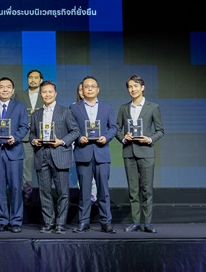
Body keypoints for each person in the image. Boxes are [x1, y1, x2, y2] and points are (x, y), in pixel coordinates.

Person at [29, 80, 80, 234]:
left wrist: (62, 142)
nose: (47, 94)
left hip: (59, 155)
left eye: (50, 91)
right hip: (41, 155)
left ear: (55, 93)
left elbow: (75, 131)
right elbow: (32, 133)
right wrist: (34, 140)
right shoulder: (36, 114)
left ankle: (60, 223)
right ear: (40, 94)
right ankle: (49, 222)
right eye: (44, 92)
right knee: (44, 192)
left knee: (62, 192)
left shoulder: (65, 111)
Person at [117, 74, 165, 233]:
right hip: (129, 152)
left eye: (136, 86)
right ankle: (136, 222)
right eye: (130, 87)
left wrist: (149, 139)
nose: (133, 89)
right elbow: (117, 129)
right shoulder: (124, 108)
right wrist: (123, 138)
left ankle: (148, 223)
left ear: (142, 88)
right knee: (133, 190)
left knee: (147, 190)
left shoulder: (153, 107)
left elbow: (160, 131)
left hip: (146, 152)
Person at [70, 76, 118, 234]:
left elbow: (113, 128)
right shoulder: (74, 108)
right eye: (86, 86)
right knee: (84, 191)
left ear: (98, 89)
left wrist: (106, 137)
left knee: (103, 190)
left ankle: (106, 222)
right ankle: (84, 222)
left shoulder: (107, 107)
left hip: (101, 153)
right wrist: (79, 138)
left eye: (92, 86)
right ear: (82, 90)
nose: (89, 89)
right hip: (83, 153)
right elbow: (71, 129)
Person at [0, 77, 29, 233]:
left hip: (14, 152)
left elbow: (24, 127)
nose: (5, 89)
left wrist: (15, 138)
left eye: (8, 87)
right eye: (2, 87)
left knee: (16, 188)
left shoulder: (20, 106)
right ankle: (2, 220)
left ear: (13, 90)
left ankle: (16, 221)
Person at [14, 69, 44, 202]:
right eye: (30, 77)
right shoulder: (19, 95)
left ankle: (43, 197)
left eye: (36, 77)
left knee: (43, 169)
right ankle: (26, 197)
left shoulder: (46, 94)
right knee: (26, 169)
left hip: (43, 137)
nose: (33, 80)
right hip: (25, 137)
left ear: (41, 80)